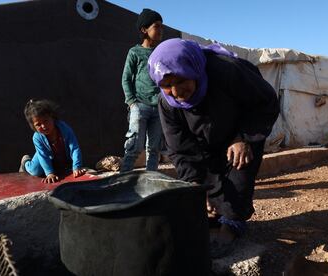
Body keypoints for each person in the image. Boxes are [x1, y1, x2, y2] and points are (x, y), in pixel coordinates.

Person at [148, 38, 280, 257]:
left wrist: (243, 137)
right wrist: (195, 188)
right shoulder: (167, 104)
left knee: (238, 175)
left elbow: (266, 102)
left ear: (193, 69)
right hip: (203, 142)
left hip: (242, 131)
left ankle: (231, 225)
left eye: (181, 80)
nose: (176, 91)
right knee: (205, 183)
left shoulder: (227, 71)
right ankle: (215, 218)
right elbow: (180, 149)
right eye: (166, 86)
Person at [120, 8, 163, 172]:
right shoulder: (135, 52)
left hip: (159, 107)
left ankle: (150, 181)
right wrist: (132, 103)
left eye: (162, 26)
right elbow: (126, 78)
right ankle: (123, 180)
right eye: (156, 26)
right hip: (140, 106)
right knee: (134, 147)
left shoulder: (161, 52)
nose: (160, 30)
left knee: (154, 149)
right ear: (144, 29)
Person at [19, 99, 86, 183]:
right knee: (35, 171)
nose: (43, 126)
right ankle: (25, 162)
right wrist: (49, 173)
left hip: (58, 157)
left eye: (46, 121)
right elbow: (43, 156)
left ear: (52, 117)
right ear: (33, 126)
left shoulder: (64, 129)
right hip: (44, 156)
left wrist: (77, 167)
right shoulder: (37, 137)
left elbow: (74, 148)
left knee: (62, 167)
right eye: (38, 124)